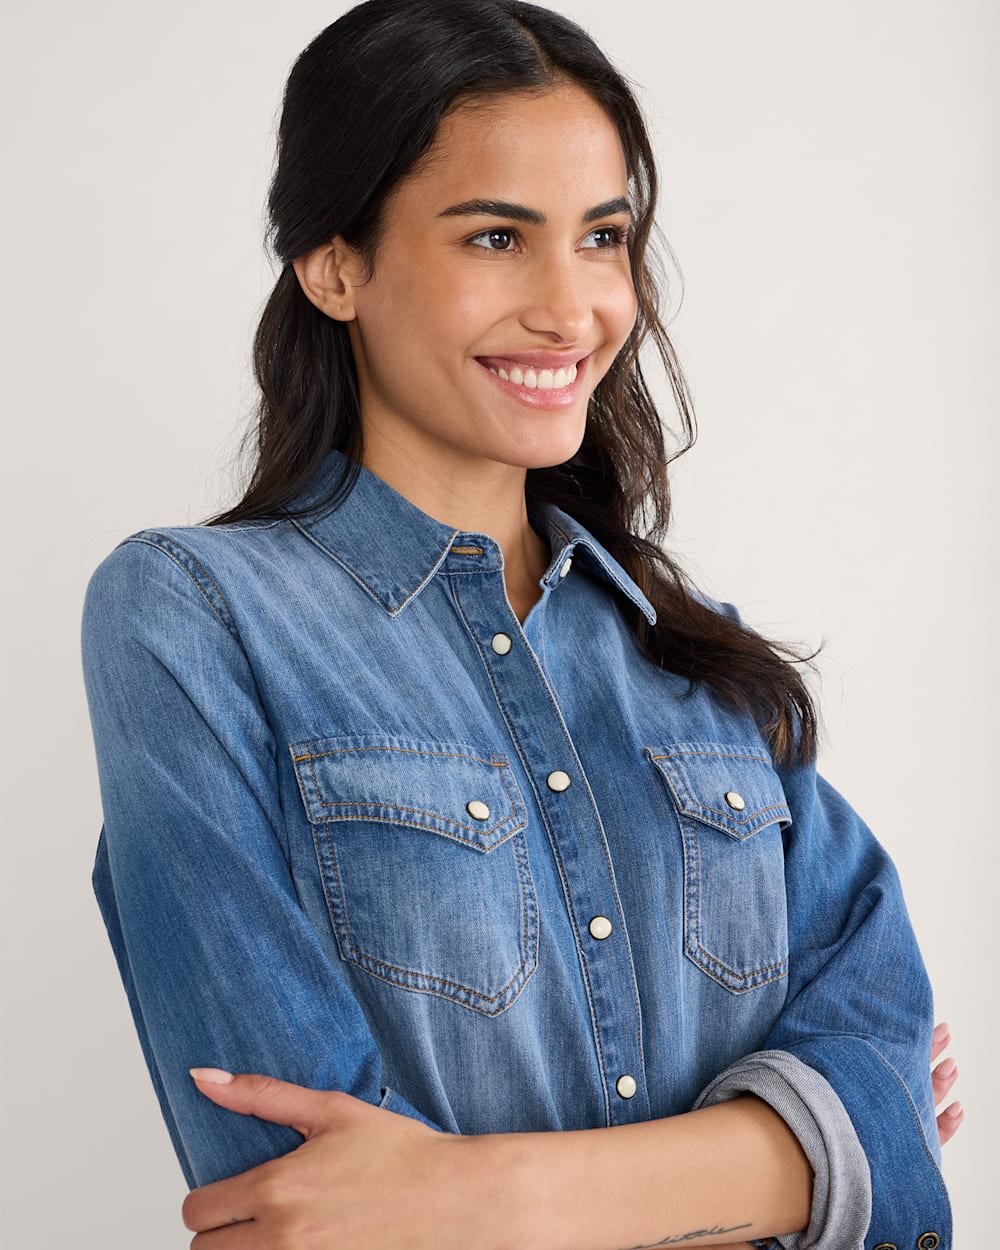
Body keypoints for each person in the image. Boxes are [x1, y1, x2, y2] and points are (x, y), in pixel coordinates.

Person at [81, 2, 961, 1247]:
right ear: (336, 262)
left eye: (601, 238)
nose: (570, 307)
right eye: (498, 235)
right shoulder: (190, 614)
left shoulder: (695, 650)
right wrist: (778, 1167)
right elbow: (289, 1195)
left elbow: (891, 1120)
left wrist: (487, 1197)